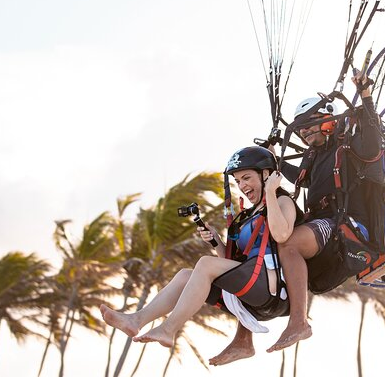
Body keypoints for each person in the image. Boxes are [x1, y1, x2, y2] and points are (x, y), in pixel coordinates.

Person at [100, 146, 303, 365]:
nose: (243, 186)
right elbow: (233, 263)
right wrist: (216, 242)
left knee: (205, 264)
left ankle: (168, 329)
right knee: (186, 275)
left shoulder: (283, 201)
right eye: (237, 182)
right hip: (251, 285)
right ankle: (136, 319)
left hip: (271, 289)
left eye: (247, 178)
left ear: (266, 175)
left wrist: (272, 192)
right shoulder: (246, 216)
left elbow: (282, 234)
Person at [267, 72, 384, 353]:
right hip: (324, 224)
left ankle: (299, 322)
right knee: (266, 243)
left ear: (327, 119)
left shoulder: (349, 145)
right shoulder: (313, 156)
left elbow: (372, 145)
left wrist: (366, 96)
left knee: (290, 243)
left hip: (347, 225)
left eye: (309, 127)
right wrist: (272, 161)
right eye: (301, 131)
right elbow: (300, 179)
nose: (305, 134)